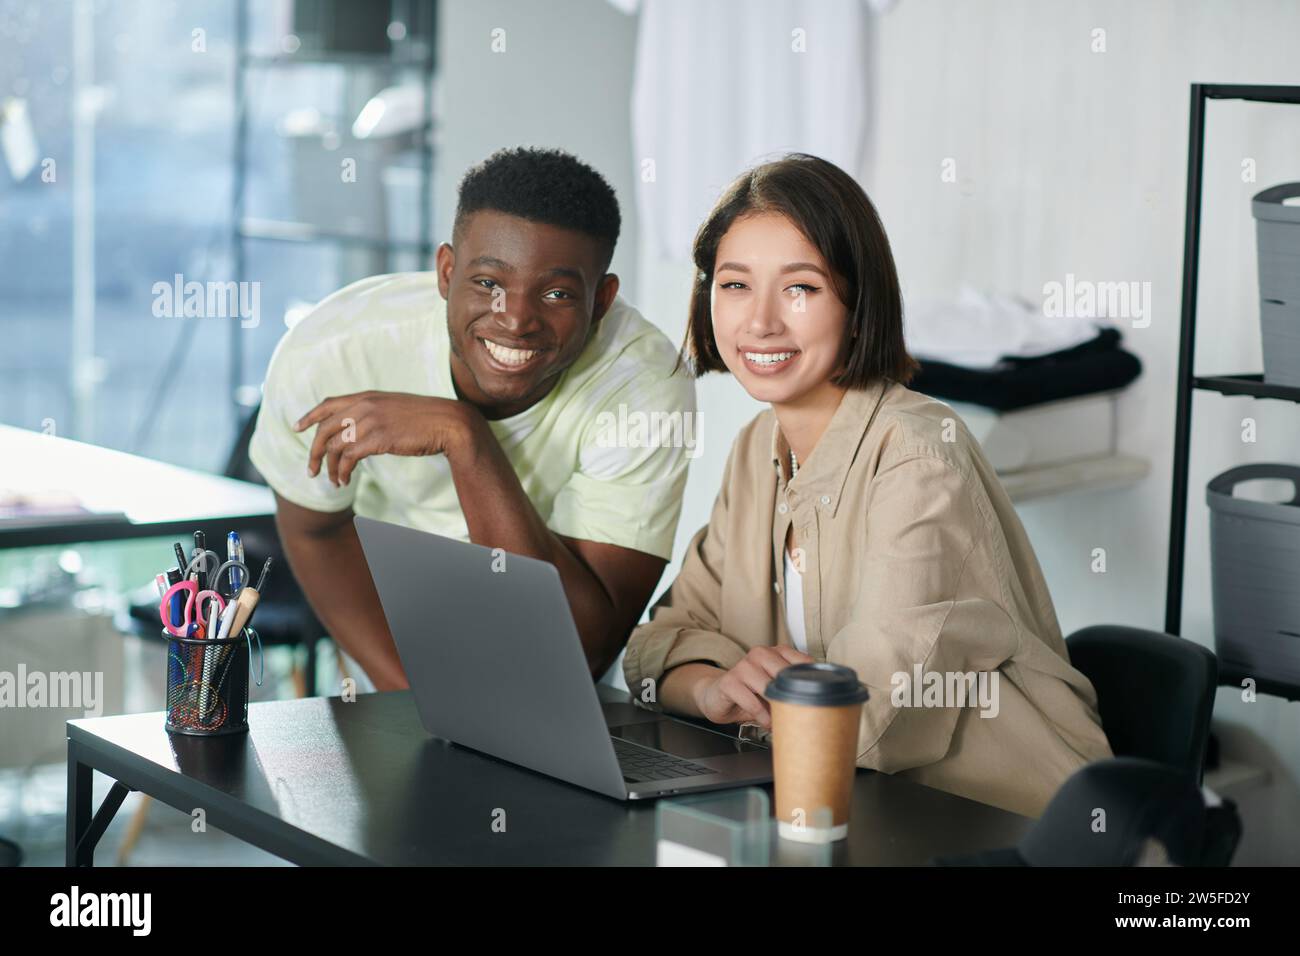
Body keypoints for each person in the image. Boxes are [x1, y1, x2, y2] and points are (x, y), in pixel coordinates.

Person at [623, 153, 1112, 818]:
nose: (761, 321)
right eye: (736, 285)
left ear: (859, 305)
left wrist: (744, 690)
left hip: (1002, 821)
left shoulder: (915, 453)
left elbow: (867, 711)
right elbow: (660, 642)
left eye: (801, 288)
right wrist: (711, 687)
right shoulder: (757, 448)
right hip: (854, 809)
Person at [250, 147, 695, 691]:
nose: (515, 319)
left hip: (552, 674)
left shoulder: (644, 383)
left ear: (601, 302)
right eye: (488, 282)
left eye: (556, 293)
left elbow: (577, 650)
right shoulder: (333, 353)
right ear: (446, 271)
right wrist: (410, 695)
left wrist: (465, 437)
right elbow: (316, 533)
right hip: (388, 637)